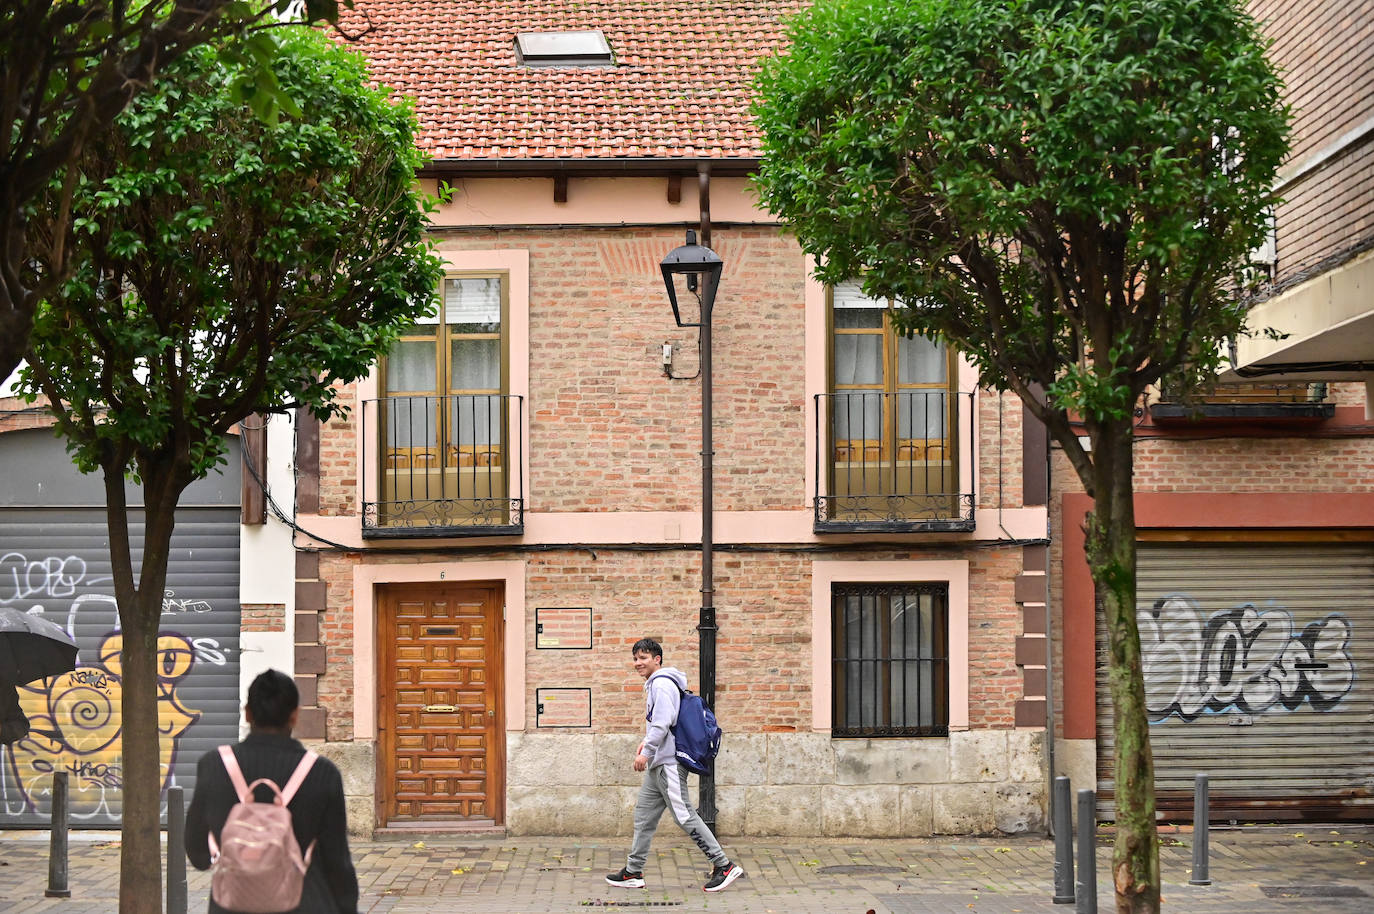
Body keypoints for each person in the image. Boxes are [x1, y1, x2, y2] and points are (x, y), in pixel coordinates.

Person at [186, 669, 359, 914]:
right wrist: (347, 907)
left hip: (232, 905)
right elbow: (337, 860)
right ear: (294, 716)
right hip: (307, 903)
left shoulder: (214, 765)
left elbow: (197, 853)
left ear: (247, 713)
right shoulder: (322, 773)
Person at [606, 637, 744, 893]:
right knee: (644, 816)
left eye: (643, 658)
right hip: (659, 764)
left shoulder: (661, 684)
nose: (638, 663)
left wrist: (646, 752)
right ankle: (633, 872)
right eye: (635, 658)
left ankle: (723, 865)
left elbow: (662, 722)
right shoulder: (659, 684)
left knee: (684, 815)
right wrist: (646, 743)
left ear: (657, 659)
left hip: (667, 762)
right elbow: (658, 724)